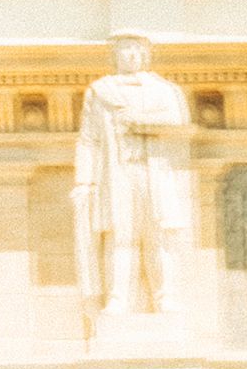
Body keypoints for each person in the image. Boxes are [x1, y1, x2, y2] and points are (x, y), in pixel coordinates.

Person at [73, 36, 195, 321]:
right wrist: (84, 181)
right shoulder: (100, 92)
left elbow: (176, 120)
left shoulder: (162, 89)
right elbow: (88, 139)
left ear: (145, 55)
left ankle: (165, 296)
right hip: (117, 173)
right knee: (120, 236)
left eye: (137, 50)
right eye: (125, 49)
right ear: (115, 55)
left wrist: (138, 119)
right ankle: (118, 297)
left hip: (155, 172)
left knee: (157, 236)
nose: (131, 55)